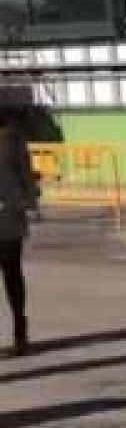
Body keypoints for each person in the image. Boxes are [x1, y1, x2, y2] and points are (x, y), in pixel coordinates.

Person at [0, 102, 38, 356]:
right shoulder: (14, 138)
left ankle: (20, 334)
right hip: (11, 215)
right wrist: (29, 201)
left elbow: (25, 174)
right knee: (13, 275)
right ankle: (20, 334)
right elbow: (27, 175)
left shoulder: (11, 139)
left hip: (8, 216)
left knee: (12, 275)